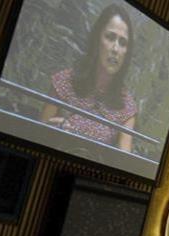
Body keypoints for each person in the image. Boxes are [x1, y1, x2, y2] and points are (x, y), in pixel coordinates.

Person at [41, 4, 138, 152]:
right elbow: (37, 135)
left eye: (123, 43)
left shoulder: (127, 106)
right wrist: (54, 132)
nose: (115, 49)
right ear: (97, 39)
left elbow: (124, 163)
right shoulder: (64, 81)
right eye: (110, 37)